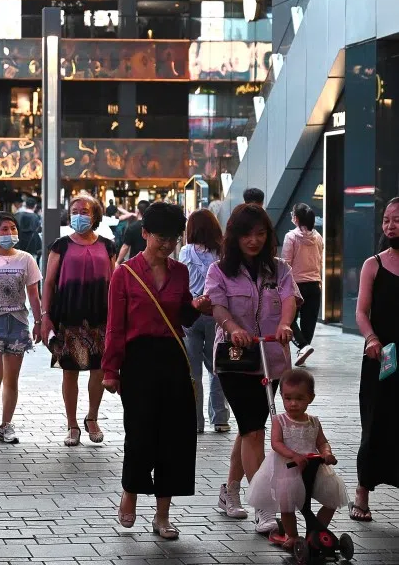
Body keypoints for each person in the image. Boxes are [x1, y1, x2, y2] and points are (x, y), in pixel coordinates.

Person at [102, 202, 210, 540]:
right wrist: (110, 369)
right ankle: (130, 493)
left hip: (174, 358)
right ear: (145, 233)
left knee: (176, 437)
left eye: (174, 239)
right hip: (138, 360)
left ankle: (163, 515)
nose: (167, 245)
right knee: (140, 432)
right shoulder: (125, 273)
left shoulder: (179, 272)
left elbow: (182, 318)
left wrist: (196, 308)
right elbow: (115, 327)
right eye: (161, 238)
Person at [204, 203, 300, 534]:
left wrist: (286, 324)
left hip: (272, 358)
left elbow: (289, 300)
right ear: (235, 237)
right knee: (254, 431)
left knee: (250, 429)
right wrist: (232, 328)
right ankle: (264, 507)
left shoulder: (281, 269)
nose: (254, 240)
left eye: (261, 234)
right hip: (235, 359)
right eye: (247, 234)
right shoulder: (218, 270)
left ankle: (229, 490)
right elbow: (217, 306)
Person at [41, 193, 114, 446]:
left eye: (84, 211)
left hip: (100, 317)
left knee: (100, 369)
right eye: (74, 211)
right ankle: (72, 425)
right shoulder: (60, 245)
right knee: (70, 372)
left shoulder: (107, 245)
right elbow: (48, 283)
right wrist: (44, 317)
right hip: (68, 317)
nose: (79, 215)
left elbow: (114, 283)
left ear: (95, 215)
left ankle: (92, 418)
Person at [246, 369, 347, 550]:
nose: (293, 404)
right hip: (287, 467)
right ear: (282, 397)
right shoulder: (280, 420)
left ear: (311, 398)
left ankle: (317, 531)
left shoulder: (314, 421)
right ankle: (292, 535)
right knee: (287, 504)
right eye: (288, 398)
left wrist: (326, 453)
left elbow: (322, 442)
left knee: (332, 499)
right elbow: (276, 443)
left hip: (313, 467)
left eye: (299, 399)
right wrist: (293, 455)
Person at [0, 212, 42, 445]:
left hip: (18, 323)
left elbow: (34, 295)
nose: (10, 233)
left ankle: (6, 424)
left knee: (11, 380)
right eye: (4, 229)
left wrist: (39, 322)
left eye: (12, 228)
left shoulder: (26, 259)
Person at [352, 196, 399, 522]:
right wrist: (371, 338)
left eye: (397, 219)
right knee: (375, 423)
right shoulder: (374, 264)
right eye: (387, 219)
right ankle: (362, 493)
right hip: (382, 356)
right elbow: (360, 311)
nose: (390, 225)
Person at [179, 209, 231, 433]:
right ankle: (220, 419)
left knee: (193, 372)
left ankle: (195, 422)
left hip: (191, 314)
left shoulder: (185, 251)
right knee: (217, 368)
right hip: (215, 314)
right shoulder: (222, 253)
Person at [282, 203, 323, 366]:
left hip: (296, 284)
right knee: (309, 320)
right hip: (314, 284)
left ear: (296, 218)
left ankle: (303, 346)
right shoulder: (318, 237)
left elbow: (286, 263)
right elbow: (319, 260)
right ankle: (303, 350)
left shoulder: (290, 237)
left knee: (287, 318)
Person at [116, 200, 150, 265]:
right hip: (151, 262)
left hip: (135, 262)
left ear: (138, 211)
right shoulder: (153, 226)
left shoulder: (132, 227)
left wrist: (118, 261)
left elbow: (125, 247)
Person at [15, 196, 42, 260]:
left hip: (19, 246)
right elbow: (38, 231)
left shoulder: (17, 215)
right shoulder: (36, 217)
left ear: (25, 205)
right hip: (32, 247)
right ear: (35, 206)